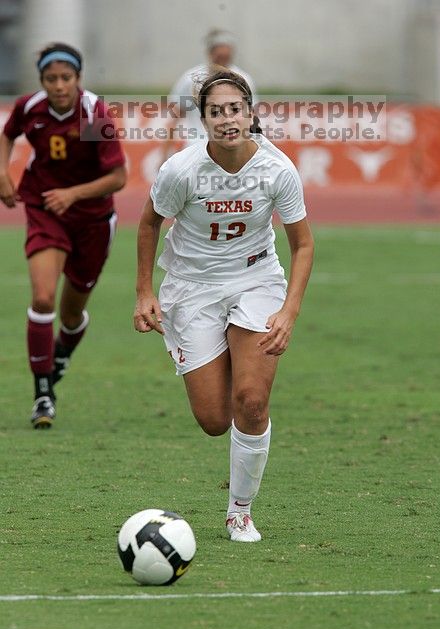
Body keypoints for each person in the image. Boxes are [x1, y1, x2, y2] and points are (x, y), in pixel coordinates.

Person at [134, 70, 314, 543]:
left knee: (251, 403)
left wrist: (289, 311)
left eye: (235, 109)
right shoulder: (181, 170)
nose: (227, 118)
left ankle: (240, 512)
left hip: (256, 281)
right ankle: (233, 365)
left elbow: (303, 245)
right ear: (204, 119)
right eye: (217, 111)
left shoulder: (278, 170)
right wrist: (144, 292)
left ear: (251, 113)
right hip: (192, 287)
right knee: (215, 420)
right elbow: (149, 224)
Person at [0, 42, 127, 428]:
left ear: (78, 79)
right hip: (44, 209)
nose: (59, 86)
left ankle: (63, 351)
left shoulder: (95, 112)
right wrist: (3, 172)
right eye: (51, 78)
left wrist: (72, 193)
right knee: (42, 297)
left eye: (66, 78)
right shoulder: (29, 107)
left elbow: (118, 178)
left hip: (92, 219)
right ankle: (43, 394)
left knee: (71, 315)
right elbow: (8, 135)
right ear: (42, 80)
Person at [162, 29, 256, 154]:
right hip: (195, 147)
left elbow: (251, 118)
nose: (222, 62)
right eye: (219, 57)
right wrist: (164, 153)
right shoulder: (191, 79)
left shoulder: (244, 80)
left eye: (226, 57)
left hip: (230, 148)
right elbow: (175, 117)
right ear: (210, 53)